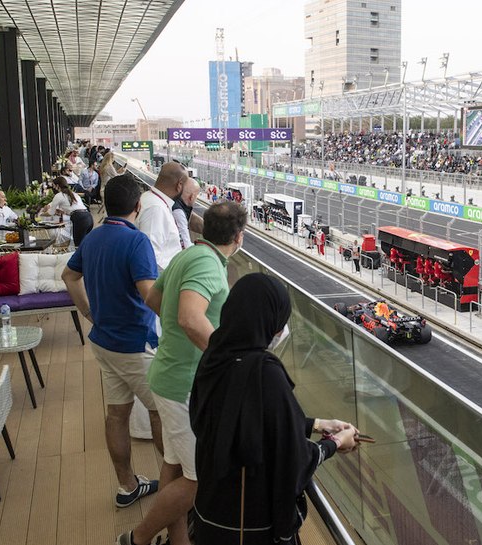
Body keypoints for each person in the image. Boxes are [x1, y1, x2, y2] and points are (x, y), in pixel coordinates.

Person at [187, 273, 360, 545]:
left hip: (209, 512)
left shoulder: (215, 356)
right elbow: (293, 460)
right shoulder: (264, 374)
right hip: (251, 526)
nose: (280, 330)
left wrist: (315, 424)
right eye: (280, 322)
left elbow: (244, 416)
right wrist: (335, 443)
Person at [120, 202, 247, 545]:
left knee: (175, 466)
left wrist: (178, 331)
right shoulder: (207, 264)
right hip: (183, 385)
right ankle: (137, 538)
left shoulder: (187, 256)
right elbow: (191, 318)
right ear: (239, 237)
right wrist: (229, 359)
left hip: (170, 374)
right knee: (199, 480)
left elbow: (155, 300)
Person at [61, 174, 163, 508]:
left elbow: (69, 275)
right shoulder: (137, 242)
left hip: (104, 342)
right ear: (137, 206)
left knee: (117, 415)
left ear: (106, 203)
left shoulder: (92, 237)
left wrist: (88, 312)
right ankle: (176, 487)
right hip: (136, 344)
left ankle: (127, 485)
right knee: (162, 413)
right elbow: (150, 295)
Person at [138, 162, 189, 271]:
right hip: (164, 281)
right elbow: (150, 257)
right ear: (179, 185)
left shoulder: (151, 199)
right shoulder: (156, 209)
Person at [43, 177, 92, 247]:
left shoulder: (59, 195)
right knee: (85, 244)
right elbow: (75, 208)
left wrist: (41, 214)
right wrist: (64, 212)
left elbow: (51, 213)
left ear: (57, 186)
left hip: (79, 219)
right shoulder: (73, 194)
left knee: (78, 246)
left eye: (53, 186)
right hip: (88, 217)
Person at [172, 178, 199, 251]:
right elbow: (186, 245)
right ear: (192, 196)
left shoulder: (174, 202)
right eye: (196, 196)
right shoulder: (178, 212)